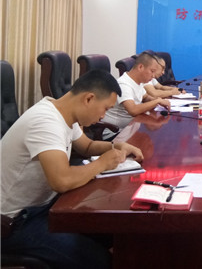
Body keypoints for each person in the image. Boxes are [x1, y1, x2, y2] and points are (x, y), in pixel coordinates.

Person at [1, 70, 144, 268]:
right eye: (105, 108)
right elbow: (62, 181)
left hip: (43, 207)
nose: (103, 116)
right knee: (100, 261)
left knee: (113, 233)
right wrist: (102, 163)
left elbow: (87, 146)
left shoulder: (63, 112)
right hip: (12, 223)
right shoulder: (46, 122)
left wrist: (116, 146)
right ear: (89, 98)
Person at [103, 52, 170, 128]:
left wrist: (159, 100)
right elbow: (133, 110)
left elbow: (145, 97)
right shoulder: (124, 84)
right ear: (140, 67)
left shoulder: (138, 81)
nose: (154, 76)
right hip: (116, 131)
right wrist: (157, 101)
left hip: (132, 126)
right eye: (152, 71)